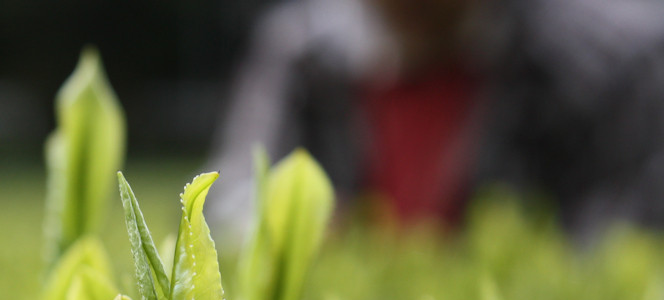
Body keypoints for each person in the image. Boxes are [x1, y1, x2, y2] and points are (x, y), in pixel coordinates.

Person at [209, 0, 664, 242]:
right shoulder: (301, 55)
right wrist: (298, 229)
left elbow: (622, 238)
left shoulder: (608, 63)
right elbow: (233, 197)